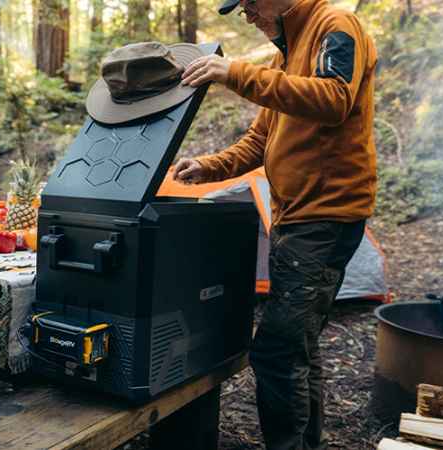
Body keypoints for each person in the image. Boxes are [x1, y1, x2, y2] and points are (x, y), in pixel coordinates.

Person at [173, 0, 378, 449]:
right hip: (296, 215)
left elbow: (334, 98)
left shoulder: (334, 25)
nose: (246, 14)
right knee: (299, 348)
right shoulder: (286, 54)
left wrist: (236, 73)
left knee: (276, 351)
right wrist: (208, 167)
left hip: (326, 217)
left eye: (249, 3)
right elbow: (261, 139)